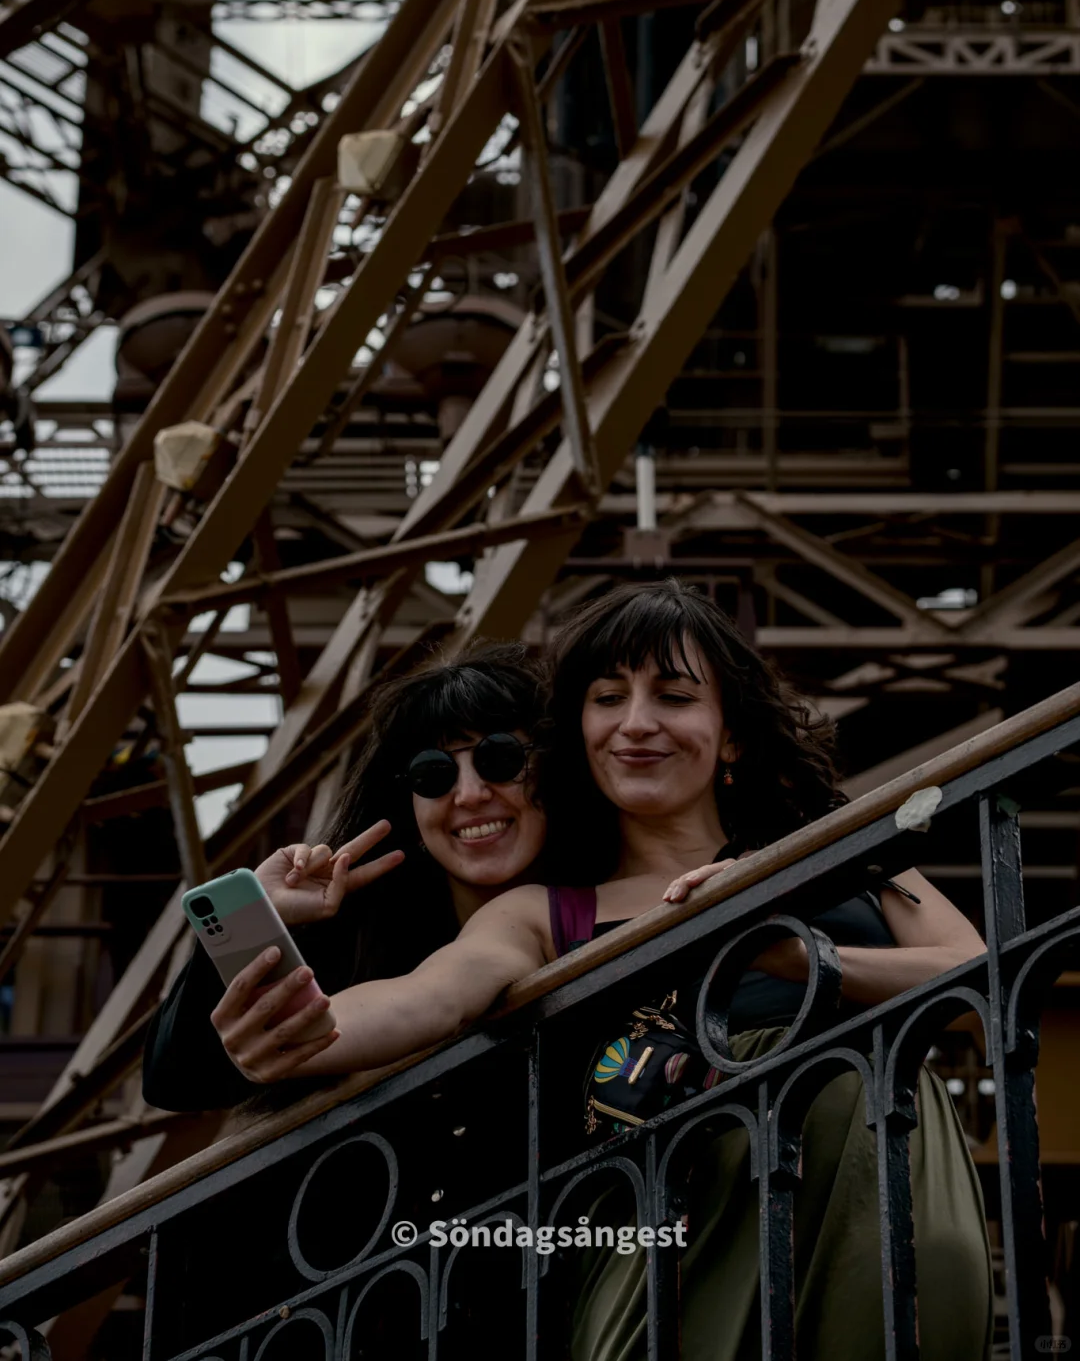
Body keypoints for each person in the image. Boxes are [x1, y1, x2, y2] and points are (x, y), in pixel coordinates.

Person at [204, 581, 990, 1359]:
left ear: (731, 736)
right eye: (608, 698)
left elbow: (974, 969)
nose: (637, 722)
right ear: (579, 733)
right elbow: (427, 997)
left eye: (674, 697)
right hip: (674, 1249)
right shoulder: (548, 913)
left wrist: (802, 957)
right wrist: (297, 1026)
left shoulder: (837, 844)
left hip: (881, 1178)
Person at [142, 640, 548, 1111]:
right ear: (408, 805)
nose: (470, 794)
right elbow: (177, 1081)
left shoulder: (602, 898)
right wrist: (256, 920)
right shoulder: (364, 933)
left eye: (500, 759)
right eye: (432, 774)